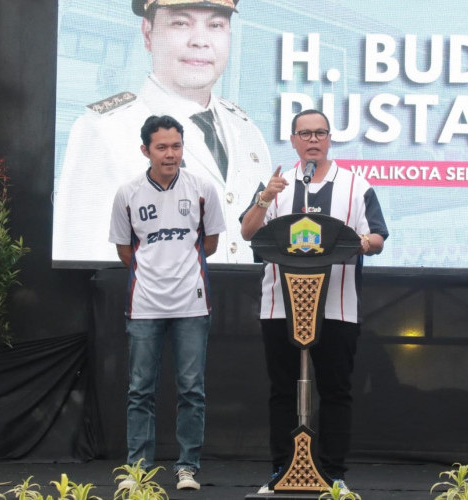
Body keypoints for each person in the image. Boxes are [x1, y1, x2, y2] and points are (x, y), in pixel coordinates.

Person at [53, 0, 272, 264]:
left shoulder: (247, 131)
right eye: (181, 23)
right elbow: (82, 259)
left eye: (215, 25)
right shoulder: (105, 131)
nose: (200, 41)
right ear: (148, 34)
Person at [240, 109, 389, 494]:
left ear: (329, 139)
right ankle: (281, 470)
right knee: (282, 390)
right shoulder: (276, 185)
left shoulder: (356, 186)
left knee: (336, 391)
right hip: (281, 306)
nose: (312, 140)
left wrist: (361, 242)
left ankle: (333, 473)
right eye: (304, 134)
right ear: (292, 140)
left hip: (337, 305)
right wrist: (264, 199)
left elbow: (377, 237)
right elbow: (248, 232)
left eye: (319, 133)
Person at [109, 115, 225, 491]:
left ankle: (187, 467)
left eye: (176, 146)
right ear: (146, 150)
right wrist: (154, 272)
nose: (170, 154)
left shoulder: (202, 187)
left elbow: (209, 244)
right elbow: (125, 251)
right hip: (144, 304)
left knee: (192, 389)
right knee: (140, 389)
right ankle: (137, 470)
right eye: (162, 147)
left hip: (192, 303)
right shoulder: (127, 193)